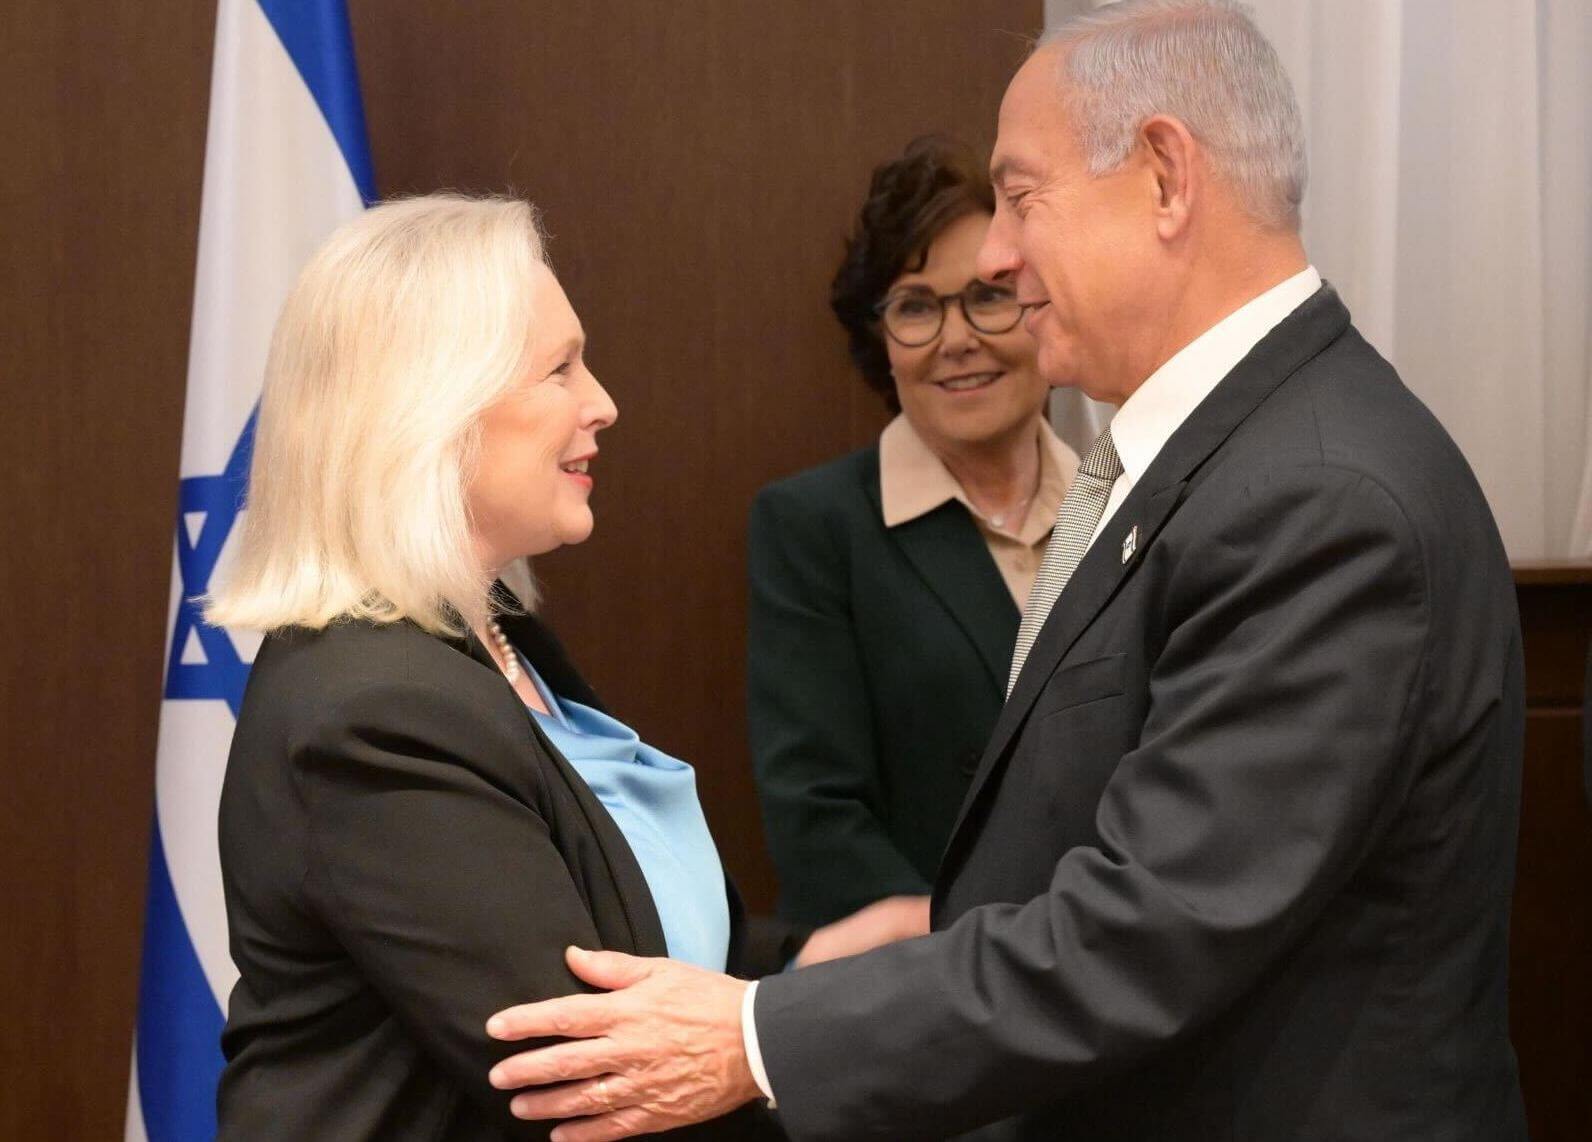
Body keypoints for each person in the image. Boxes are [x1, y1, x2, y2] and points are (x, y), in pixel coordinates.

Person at [481, 4, 1529, 1140]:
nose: (995, 254)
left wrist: (752, 1036)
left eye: (1021, 197)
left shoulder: (1315, 496)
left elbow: (1149, 928)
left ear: (1165, 176)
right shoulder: (1235, 455)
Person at [206, 194, 920, 1140]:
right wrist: (843, 1041)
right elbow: (597, 1074)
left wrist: (816, 960)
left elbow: (619, 928)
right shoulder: (374, 709)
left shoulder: (489, 640)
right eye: (560, 370)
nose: (604, 404)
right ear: (434, 410)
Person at [749, 135, 1076, 928]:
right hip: (924, 989)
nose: (956, 338)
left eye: (991, 295)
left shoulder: (1129, 504)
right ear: (880, 342)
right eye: (916, 307)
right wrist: (970, 963)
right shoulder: (814, 528)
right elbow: (818, 817)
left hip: (1125, 974)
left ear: (1045, 310)